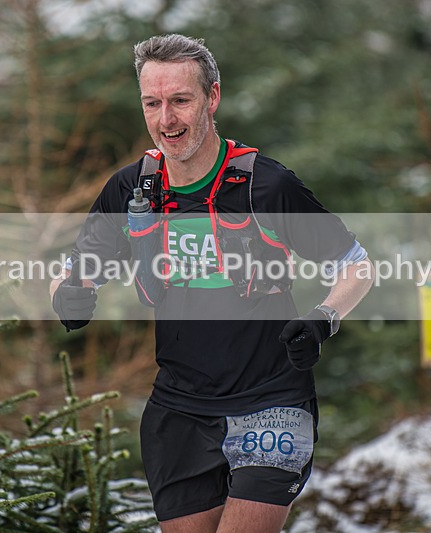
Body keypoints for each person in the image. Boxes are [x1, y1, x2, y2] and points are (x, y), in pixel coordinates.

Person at [50, 34, 373, 533]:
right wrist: (68, 294)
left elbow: (356, 265)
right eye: (152, 103)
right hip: (178, 411)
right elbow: (71, 274)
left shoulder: (267, 186)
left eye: (180, 100)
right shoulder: (132, 189)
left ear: (212, 97)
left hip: (271, 401)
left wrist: (322, 319)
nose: (166, 120)